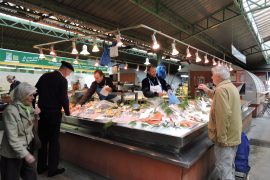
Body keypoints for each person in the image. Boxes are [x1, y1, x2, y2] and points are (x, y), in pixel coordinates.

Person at [198, 65, 242, 180]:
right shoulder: (230, 87)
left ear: (217, 77)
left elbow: (223, 116)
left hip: (226, 138)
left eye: (213, 75)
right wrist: (207, 90)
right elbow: (218, 97)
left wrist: (222, 139)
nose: (212, 77)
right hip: (233, 135)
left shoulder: (221, 90)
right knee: (229, 166)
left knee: (223, 170)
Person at [34, 61, 74, 177]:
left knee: (42, 141)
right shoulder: (62, 80)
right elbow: (64, 99)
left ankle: (40, 167)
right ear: (65, 70)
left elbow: (34, 92)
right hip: (54, 115)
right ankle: (52, 169)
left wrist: (33, 107)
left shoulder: (45, 76)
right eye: (69, 73)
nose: (69, 75)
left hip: (42, 114)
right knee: (54, 142)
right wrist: (67, 112)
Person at [0, 82, 40, 180]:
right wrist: (26, 155)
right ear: (23, 95)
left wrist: (35, 114)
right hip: (12, 154)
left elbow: (27, 127)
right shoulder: (10, 111)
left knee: (31, 177)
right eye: (30, 95)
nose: (33, 98)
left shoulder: (28, 108)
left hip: (26, 148)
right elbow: (13, 138)